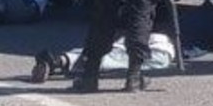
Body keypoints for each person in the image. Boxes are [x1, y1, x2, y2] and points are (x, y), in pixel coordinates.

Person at [30, 32, 181, 83]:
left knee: (109, 57)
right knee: (113, 59)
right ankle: (58, 63)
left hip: (157, 50)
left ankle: (59, 62)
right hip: (160, 51)